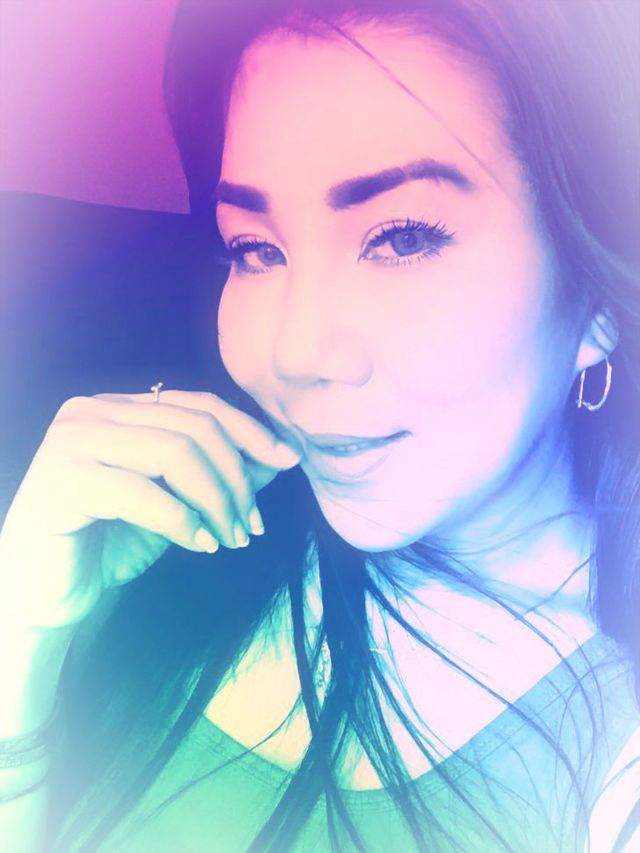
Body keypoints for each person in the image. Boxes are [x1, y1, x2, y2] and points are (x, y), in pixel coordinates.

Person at [1, 0, 639, 850]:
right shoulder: (179, 543)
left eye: (401, 239)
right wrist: (22, 638)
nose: (293, 353)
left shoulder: (611, 761)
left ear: (596, 291)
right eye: (253, 249)